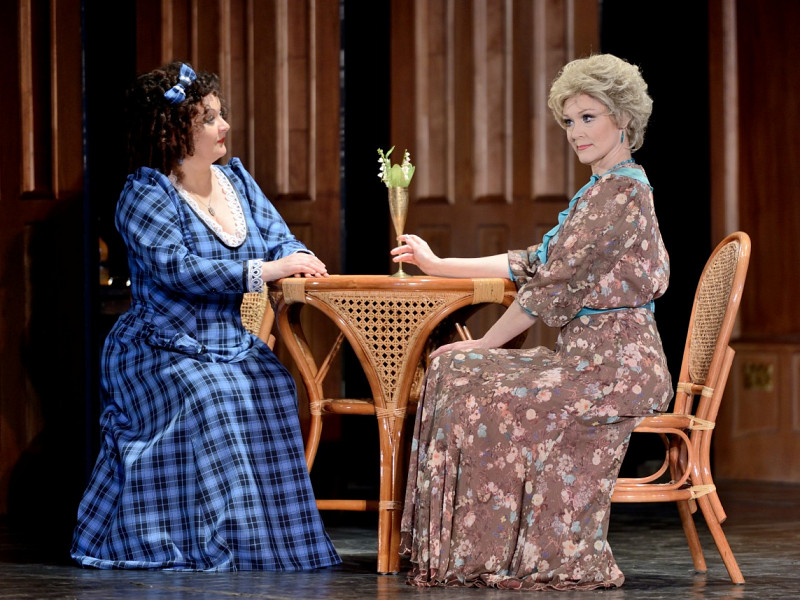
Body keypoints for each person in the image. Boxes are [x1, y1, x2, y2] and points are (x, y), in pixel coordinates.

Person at [391, 53, 673, 589]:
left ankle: (486, 553)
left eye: (588, 117)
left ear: (623, 118)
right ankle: (471, 551)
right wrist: (438, 263)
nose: (576, 132)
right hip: (587, 359)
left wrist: (487, 344)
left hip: (614, 368)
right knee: (453, 371)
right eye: (569, 120)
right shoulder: (601, 190)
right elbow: (533, 263)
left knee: (464, 374)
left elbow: (549, 288)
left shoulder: (620, 192)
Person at [71, 61, 339, 571]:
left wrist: (299, 258)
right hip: (161, 345)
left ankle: (261, 546)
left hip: (230, 344)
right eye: (209, 119)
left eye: (220, 114)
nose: (224, 126)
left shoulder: (236, 183)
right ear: (174, 132)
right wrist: (266, 270)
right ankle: (195, 543)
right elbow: (178, 268)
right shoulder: (146, 193)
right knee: (210, 395)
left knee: (272, 386)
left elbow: (280, 238)